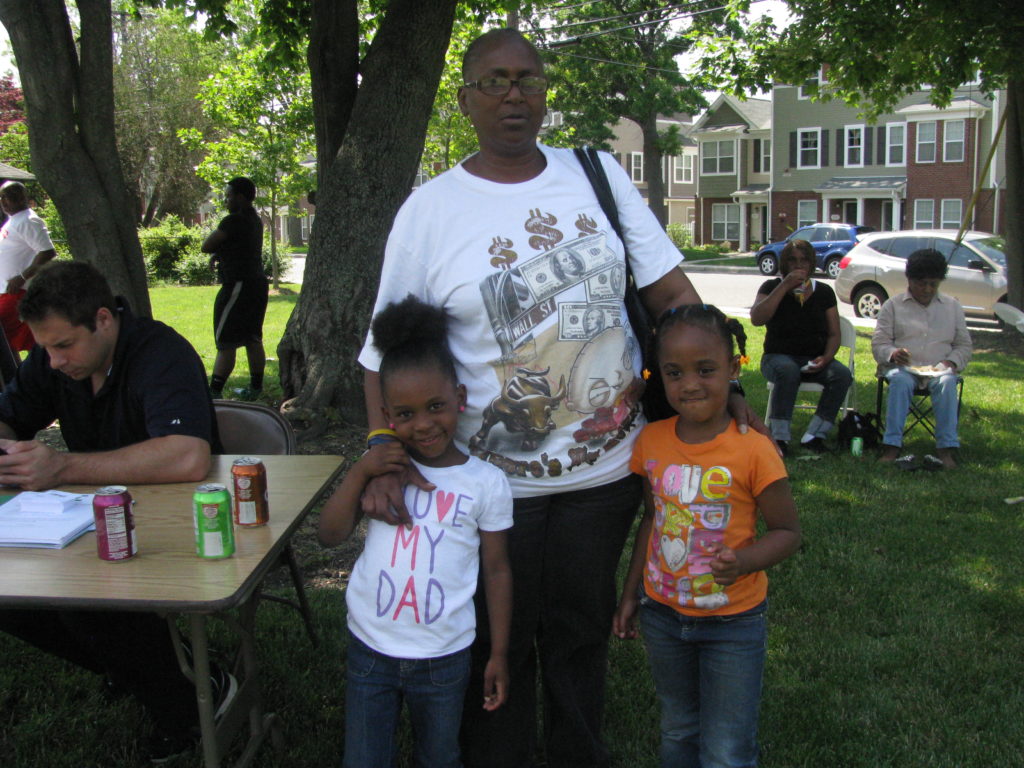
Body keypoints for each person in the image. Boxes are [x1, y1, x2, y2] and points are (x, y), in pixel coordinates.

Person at [357, 27, 762, 768]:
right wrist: (384, 451)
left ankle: (578, 754)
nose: (515, 94)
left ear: (545, 92)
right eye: (495, 80)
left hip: (602, 477)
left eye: (529, 79)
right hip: (487, 481)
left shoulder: (595, 175)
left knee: (579, 632)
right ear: (465, 98)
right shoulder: (430, 210)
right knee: (494, 637)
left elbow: (670, 290)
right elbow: (383, 356)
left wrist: (719, 381)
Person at [0, 261, 230, 761]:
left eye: (64, 346)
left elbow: (188, 455)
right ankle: (138, 667)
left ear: (103, 319)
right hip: (91, 521)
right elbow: (9, 416)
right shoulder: (56, 360)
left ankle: (193, 699)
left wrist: (60, 469)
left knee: (86, 600)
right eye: (44, 349)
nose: (55, 361)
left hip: (181, 523)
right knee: (13, 599)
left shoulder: (160, 352)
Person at [319, 296, 513, 768]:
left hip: (445, 656)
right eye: (405, 415)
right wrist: (361, 471)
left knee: (439, 757)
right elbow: (329, 535)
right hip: (371, 649)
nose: (423, 425)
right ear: (387, 416)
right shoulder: (381, 471)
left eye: (436, 407)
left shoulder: (486, 483)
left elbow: (497, 570)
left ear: (460, 400)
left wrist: (500, 653)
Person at [613, 304, 802, 768]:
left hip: (733, 622)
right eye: (674, 373)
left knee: (726, 749)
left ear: (734, 369)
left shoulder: (755, 449)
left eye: (705, 370)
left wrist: (744, 562)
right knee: (678, 729)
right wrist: (632, 592)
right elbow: (653, 521)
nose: (690, 384)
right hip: (662, 615)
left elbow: (788, 532)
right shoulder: (651, 441)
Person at [750, 239, 852, 455]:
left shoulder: (823, 292)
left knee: (842, 375)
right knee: (788, 370)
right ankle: (779, 437)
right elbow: (757, 318)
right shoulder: (771, 287)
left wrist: (826, 357)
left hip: (814, 358)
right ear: (784, 264)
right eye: (793, 260)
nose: (799, 265)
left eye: (804, 260)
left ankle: (815, 435)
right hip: (778, 358)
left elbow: (834, 333)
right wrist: (784, 285)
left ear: (811, 263)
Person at [872, 248, 972, 469]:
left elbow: (964, 345)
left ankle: (946, 449)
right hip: (904, 369)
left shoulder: (952, 307)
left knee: (947, 383)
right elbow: (879, 343)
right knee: (899, 381)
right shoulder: (893, 306)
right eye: (921, 283)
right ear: (910, 280)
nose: (927, 289)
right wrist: (892, 353)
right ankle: (892, 446)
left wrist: (950, 363)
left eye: (933, 284)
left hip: (939, 369)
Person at [201, 176, 267, 400]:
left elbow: (206, 245)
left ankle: (214, 391)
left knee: (226, 340)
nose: (226, 200)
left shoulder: (233, 221)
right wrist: (221, 254)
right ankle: (256, 388)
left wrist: (216, 251)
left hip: (238, 285)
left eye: (228, 196)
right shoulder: (254, 220)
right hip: (257, 284)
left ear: (240, 197)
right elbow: (241, 246)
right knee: (252, 337)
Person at [0, 180, 57, 359]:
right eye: (2, 197)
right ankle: (16, 377)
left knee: (6, 335)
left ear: (23, 197)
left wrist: (22, 277)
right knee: (14, 340)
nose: (5, 202)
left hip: (18, 291)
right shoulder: (14, 221)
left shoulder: (28, 220)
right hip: (7, 291)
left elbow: (47, 251)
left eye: (10, 197)